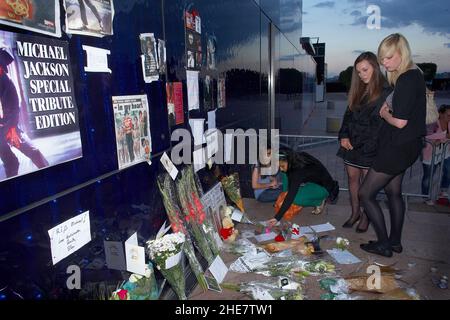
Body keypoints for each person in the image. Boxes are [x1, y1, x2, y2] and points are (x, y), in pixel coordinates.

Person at [359, 34, 426, 257]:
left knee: (365, 194)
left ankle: (384, 244)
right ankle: (395, 242)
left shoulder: (406, 79)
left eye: (389, 58)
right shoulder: (416, 75)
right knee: (393, 192)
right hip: (409, 146)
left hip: (397, 147)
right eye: (382, 59)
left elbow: (400, 121)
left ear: (402, 53)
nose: (385, 63)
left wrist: (385, 113)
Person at [337, 52, 392, 233]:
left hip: (370, 148)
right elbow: (348, 116)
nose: (362, 75)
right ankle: (355, 213)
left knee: (368, 189)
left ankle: (366, 218)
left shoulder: (387, 91)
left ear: (375, 68)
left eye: (365, 70)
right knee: (353, 179)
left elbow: (382, 126)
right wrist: (343, 136)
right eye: (358, 72)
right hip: (351, 145)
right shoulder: (358, 90)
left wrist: (369, 146)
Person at [0, 48, 49, 179]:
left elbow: (15, 108)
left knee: (34, 152)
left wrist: (10, 128)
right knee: (11, 163)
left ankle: (49, 175)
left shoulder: (7, 82)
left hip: (9, 128)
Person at [267, 149, 339, 227]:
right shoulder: (295, 157)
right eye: (279, 166)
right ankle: (284, 194)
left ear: (288, 160)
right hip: (314, 182)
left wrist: (277, 218)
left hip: (324, 188)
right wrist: (284, 195)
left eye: (282, 166)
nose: (280, 169)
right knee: (285, 173)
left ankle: (319, 202)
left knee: (295, 198)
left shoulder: (297, 172)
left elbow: (291, 196)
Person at [421, 104, 450, 201]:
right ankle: (426, 197)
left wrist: (441, 138)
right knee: (428, 179)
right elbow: (427, 137)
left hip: (445, 153)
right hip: (430, 155)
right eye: (448, 115)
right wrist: (444, 136)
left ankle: (443, 191)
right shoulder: (433, 123)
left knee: (448, 172)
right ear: (441, 114)